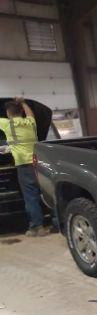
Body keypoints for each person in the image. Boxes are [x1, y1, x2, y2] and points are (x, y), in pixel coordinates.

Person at [0, 98, 48, 236]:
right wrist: (23, 102)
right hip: (38, 163)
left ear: (8, 113)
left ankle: (37, 227)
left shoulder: (7, 124)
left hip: (24, 166)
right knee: (47, 193)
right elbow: (31, 114)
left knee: (31, 196)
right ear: (21, 111)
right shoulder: (30, 123)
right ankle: (57, 223)